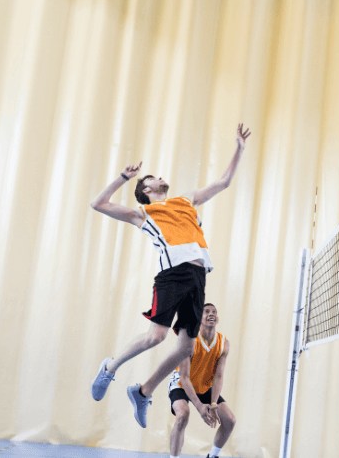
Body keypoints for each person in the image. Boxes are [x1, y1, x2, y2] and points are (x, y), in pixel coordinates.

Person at [89, 124, 251, 428]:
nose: (160, 178)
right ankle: (109, 368)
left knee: (185, 349)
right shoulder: (143, 213)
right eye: (152, 179)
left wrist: (239, 149)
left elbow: (224, 182)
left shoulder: (186, 200)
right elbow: (97, 204)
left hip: (199, 275)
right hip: (173, 275)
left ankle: (143, 391)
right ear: (147, 191)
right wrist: (123, 178)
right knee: (156, 336)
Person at [167, 303, 236, 458]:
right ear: (199, 317)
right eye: (206, 311)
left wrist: (212, 404)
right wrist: (199, 407)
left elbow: (218, 376)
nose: (211, 314)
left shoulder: (224, 343)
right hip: (182, 383)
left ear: (217, 318)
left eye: (214, 312)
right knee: (182, 416)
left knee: (230, 420)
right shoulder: (189, 338)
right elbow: (184, 377)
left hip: (204, 385)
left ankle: (212, 456)